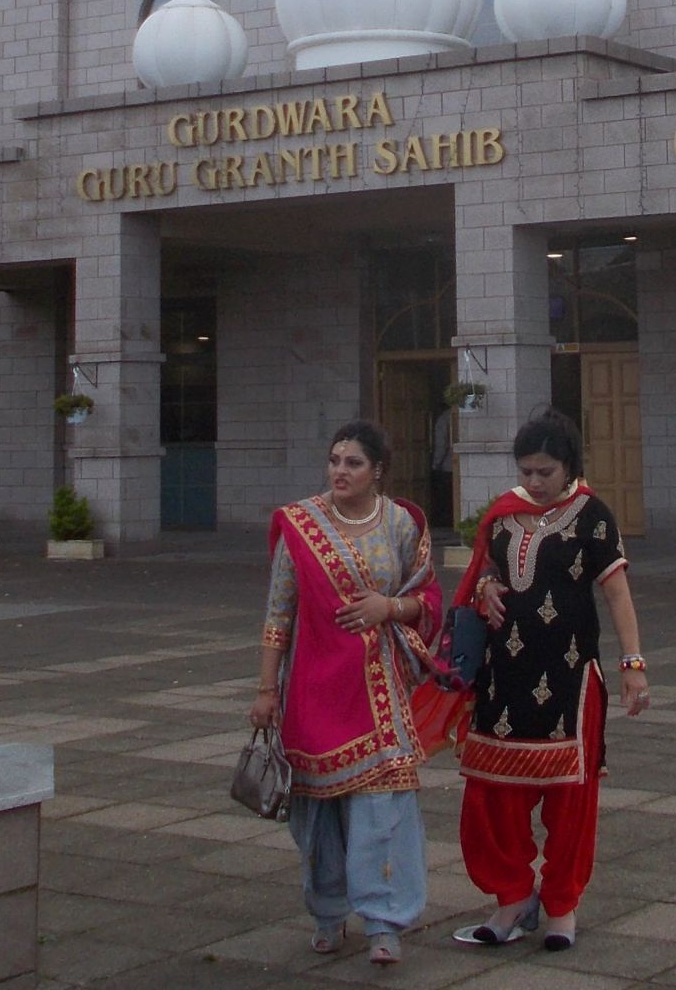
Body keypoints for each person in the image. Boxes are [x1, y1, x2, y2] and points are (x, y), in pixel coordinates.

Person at [448, 409, 649, 952]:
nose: (534, 482)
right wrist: (486, 586)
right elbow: (483, 573)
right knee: (493, 797)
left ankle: (562, 905)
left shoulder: (593, 517)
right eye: (527, 471)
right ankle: (512, 897)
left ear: (569, 467)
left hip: (568, 679)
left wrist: (633, 666)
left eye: (545, 472)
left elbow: (617, 595)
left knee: (570, 801)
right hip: (503, 680)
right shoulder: (505, 515)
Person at [249, 420, 441, 966]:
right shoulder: (300, 525)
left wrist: (390, 608)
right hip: (313, 688)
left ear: (377, 470)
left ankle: (384, 922)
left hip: (380, 688)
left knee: (385, 809)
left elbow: (426, 599)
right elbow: (278, 614)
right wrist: (266, 690)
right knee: (317, 816)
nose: (340, 471)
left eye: (353, 463)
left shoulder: (401, 523)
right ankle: (329, 912)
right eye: (334, 460)